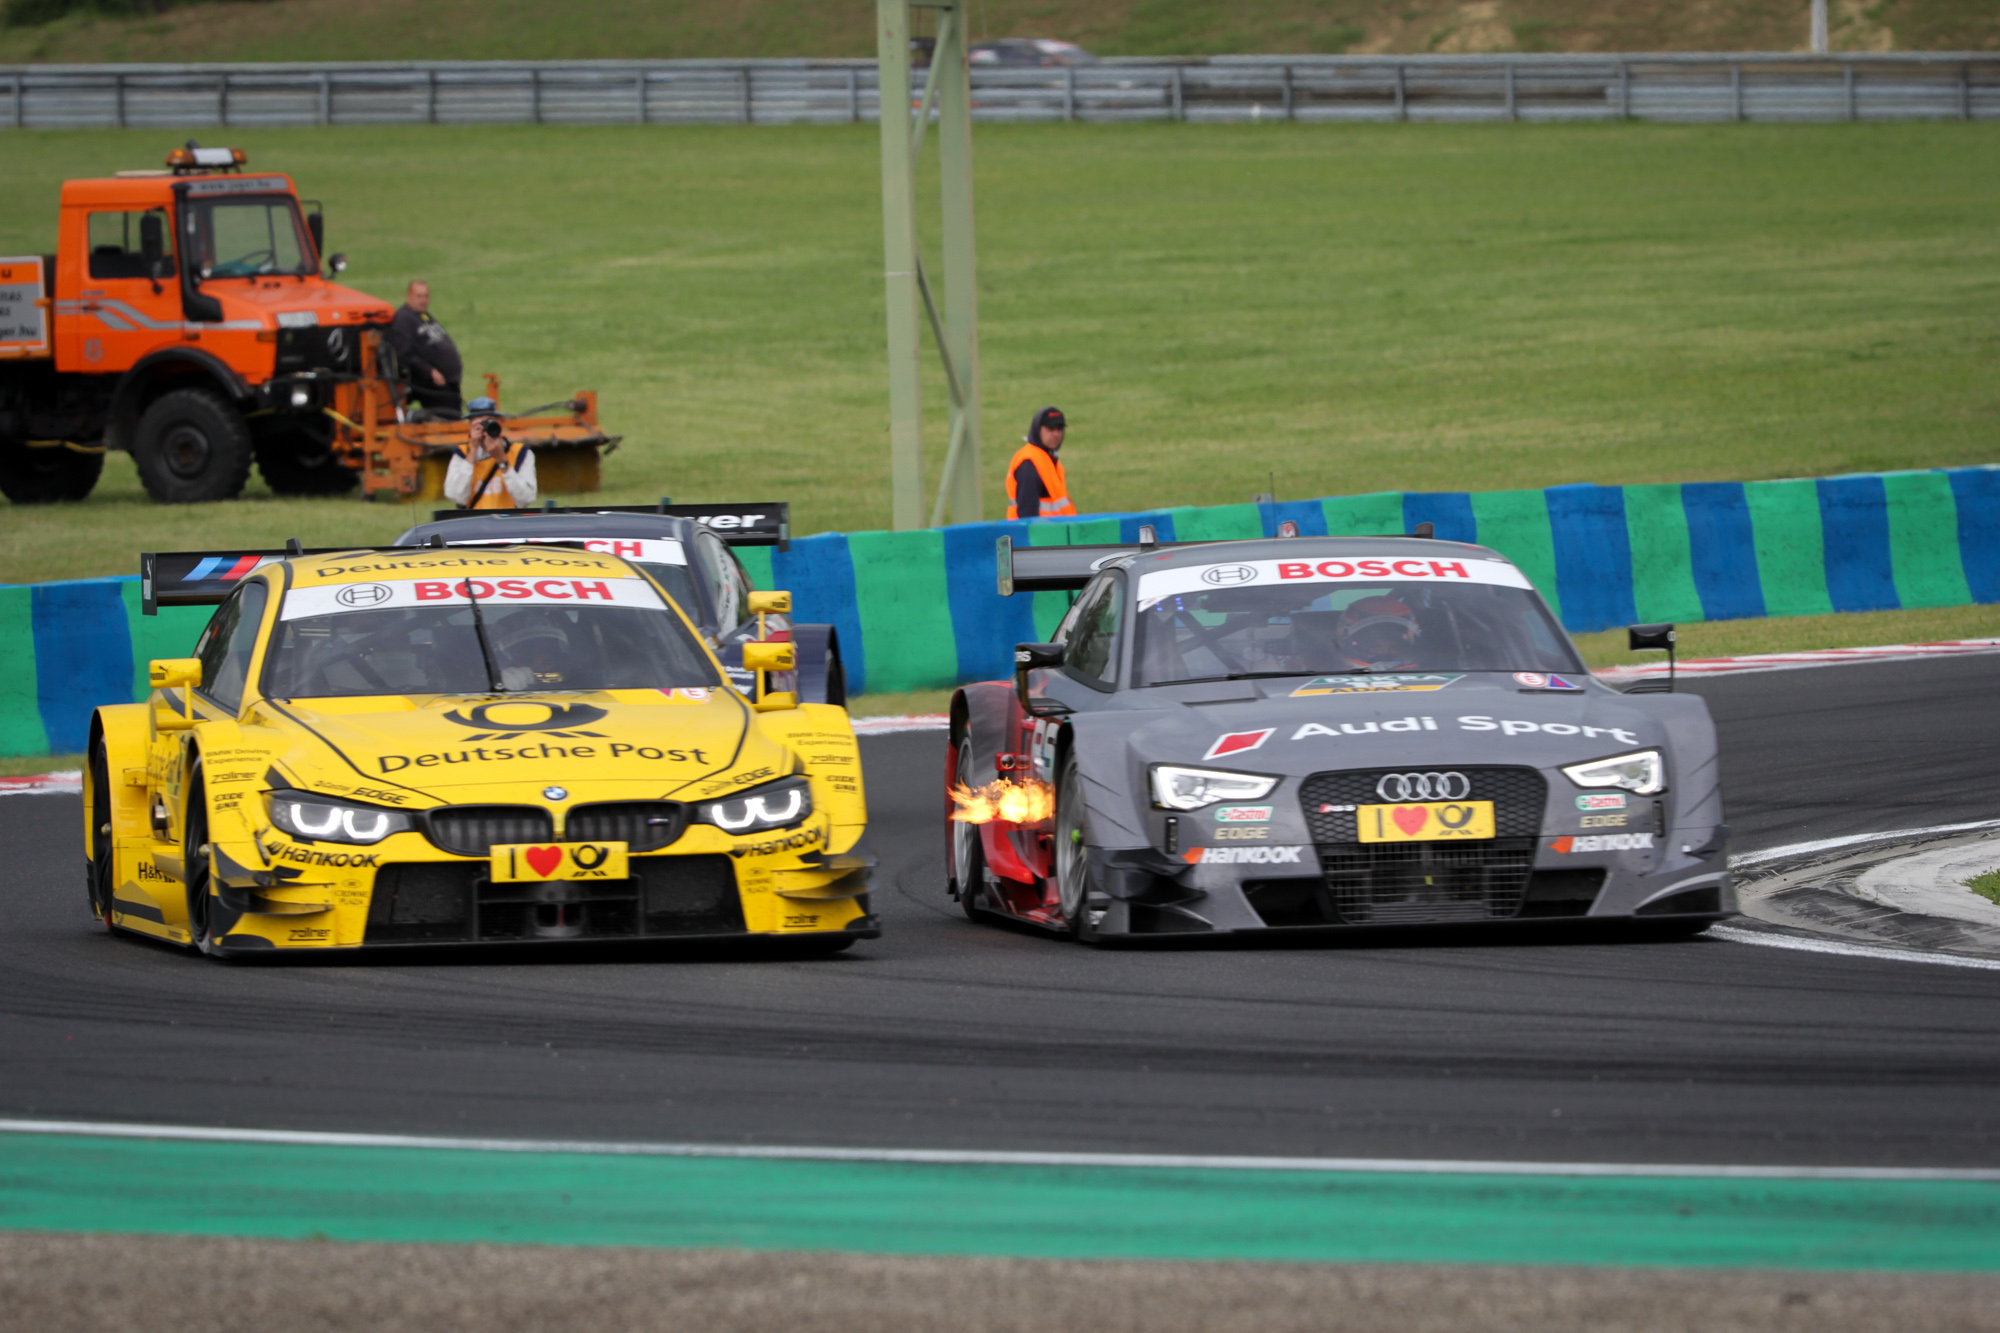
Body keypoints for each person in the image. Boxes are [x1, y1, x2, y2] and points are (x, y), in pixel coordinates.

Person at [390, 280, 464, 419]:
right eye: (419, 296)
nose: (423, 300)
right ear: (408, 296)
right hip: (431, 385)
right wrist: (430, 371)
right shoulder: (404, 319)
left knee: (455, 419)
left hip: (447, 384)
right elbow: (404, 353)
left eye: (426, 296)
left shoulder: (423, 316)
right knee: (448, 423)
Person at [444, 398, 537, 510]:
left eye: (490, 424)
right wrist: (472, 452)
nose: (484, 431)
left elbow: (526, 499)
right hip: (474, 519)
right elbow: (457, 496)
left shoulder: (519, 453)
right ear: (470, 427)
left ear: (499, 423)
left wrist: (502, 460)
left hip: (508, 518)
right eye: (478, 427)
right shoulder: (462, 454)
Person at [1005, 405, 1078, 520]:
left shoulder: (1048, 458)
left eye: (1059, 429)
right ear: (1037, 430)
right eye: (1050, 429)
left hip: (1056, 529)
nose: (1056, 434)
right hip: (1040, 531)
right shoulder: (1029, 462)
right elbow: (1027, 516)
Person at [1333, 596, 1423, 671]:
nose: (1385, 653)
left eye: (1394, 647)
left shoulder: (1428, 668)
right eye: (1375, 646)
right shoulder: (1327, 670)